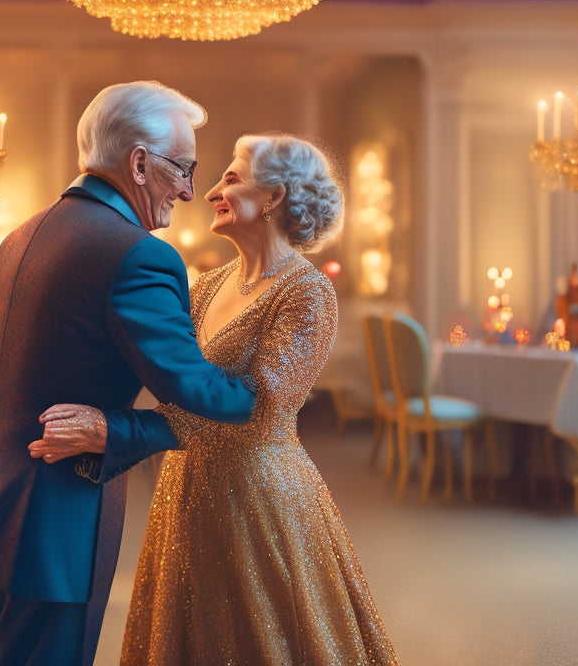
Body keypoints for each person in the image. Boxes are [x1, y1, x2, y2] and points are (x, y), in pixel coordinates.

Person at [0, 80, 256, 666]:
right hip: (53, 530)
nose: (189, 189)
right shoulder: (142, 255)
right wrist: (268, 397)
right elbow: (199, 393)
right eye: (183, 168)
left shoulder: (21, 235)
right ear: (139, 163)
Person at [42, 133, 400, 665]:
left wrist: (116, 431)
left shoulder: (306, 292)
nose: (209, 190)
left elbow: (261, 407)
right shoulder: (206, 285)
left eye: (230, 178)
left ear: (274, 197)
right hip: (185, 487)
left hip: (262, 497)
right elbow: (166, 372)